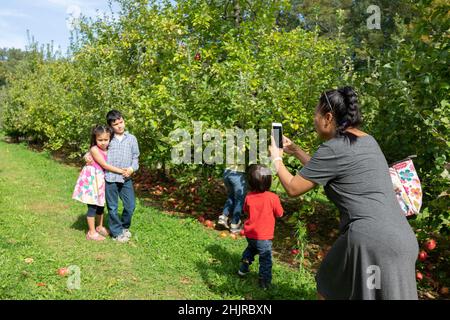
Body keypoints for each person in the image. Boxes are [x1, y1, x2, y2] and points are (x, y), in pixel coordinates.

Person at [269, 86, 419, 300]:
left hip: (371, 243)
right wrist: (297, 151)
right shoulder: (368, 140)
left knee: (331, 288)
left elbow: (293, 188)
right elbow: (327, 170)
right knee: (330, 281)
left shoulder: (332, 148)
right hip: (402, 238)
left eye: (316, 114)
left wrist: (276, 158)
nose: (314, 120)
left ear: (328, 117)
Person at [85, 110, 140, 243]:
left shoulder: (132, 139)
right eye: (116, 124)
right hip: (110, 178)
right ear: (110, 126)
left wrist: (132, 169)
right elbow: (97, 148)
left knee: (130, 206)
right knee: (113, 207)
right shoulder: (108, 138)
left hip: (126, 178)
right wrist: (87, 155)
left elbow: (136, 157)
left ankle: (124, 227)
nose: (120, 126)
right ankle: (116, 233)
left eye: (121, 122)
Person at [72, 125, 126, 241]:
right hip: (92, 179)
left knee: (101, 204)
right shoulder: (94, 149)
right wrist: (122, 171)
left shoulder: (109, 149)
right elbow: (105, 165)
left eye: (106, 140)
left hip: (100, 179)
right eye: (100, 140)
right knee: (93, 205)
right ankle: (91, 233)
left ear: (110, 138)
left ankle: (99, 227)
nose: (103, 142)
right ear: (95, 139)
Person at [237, 164, 284, 290]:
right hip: (263, 236)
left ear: (250, 183)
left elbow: (245, 210)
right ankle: (264, 282)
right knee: (265, 259)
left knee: (251, 249)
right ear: (269, 181)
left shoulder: (249, 197)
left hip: (250, 233)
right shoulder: (273, 198)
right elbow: (280, 213)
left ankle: (243, 268)